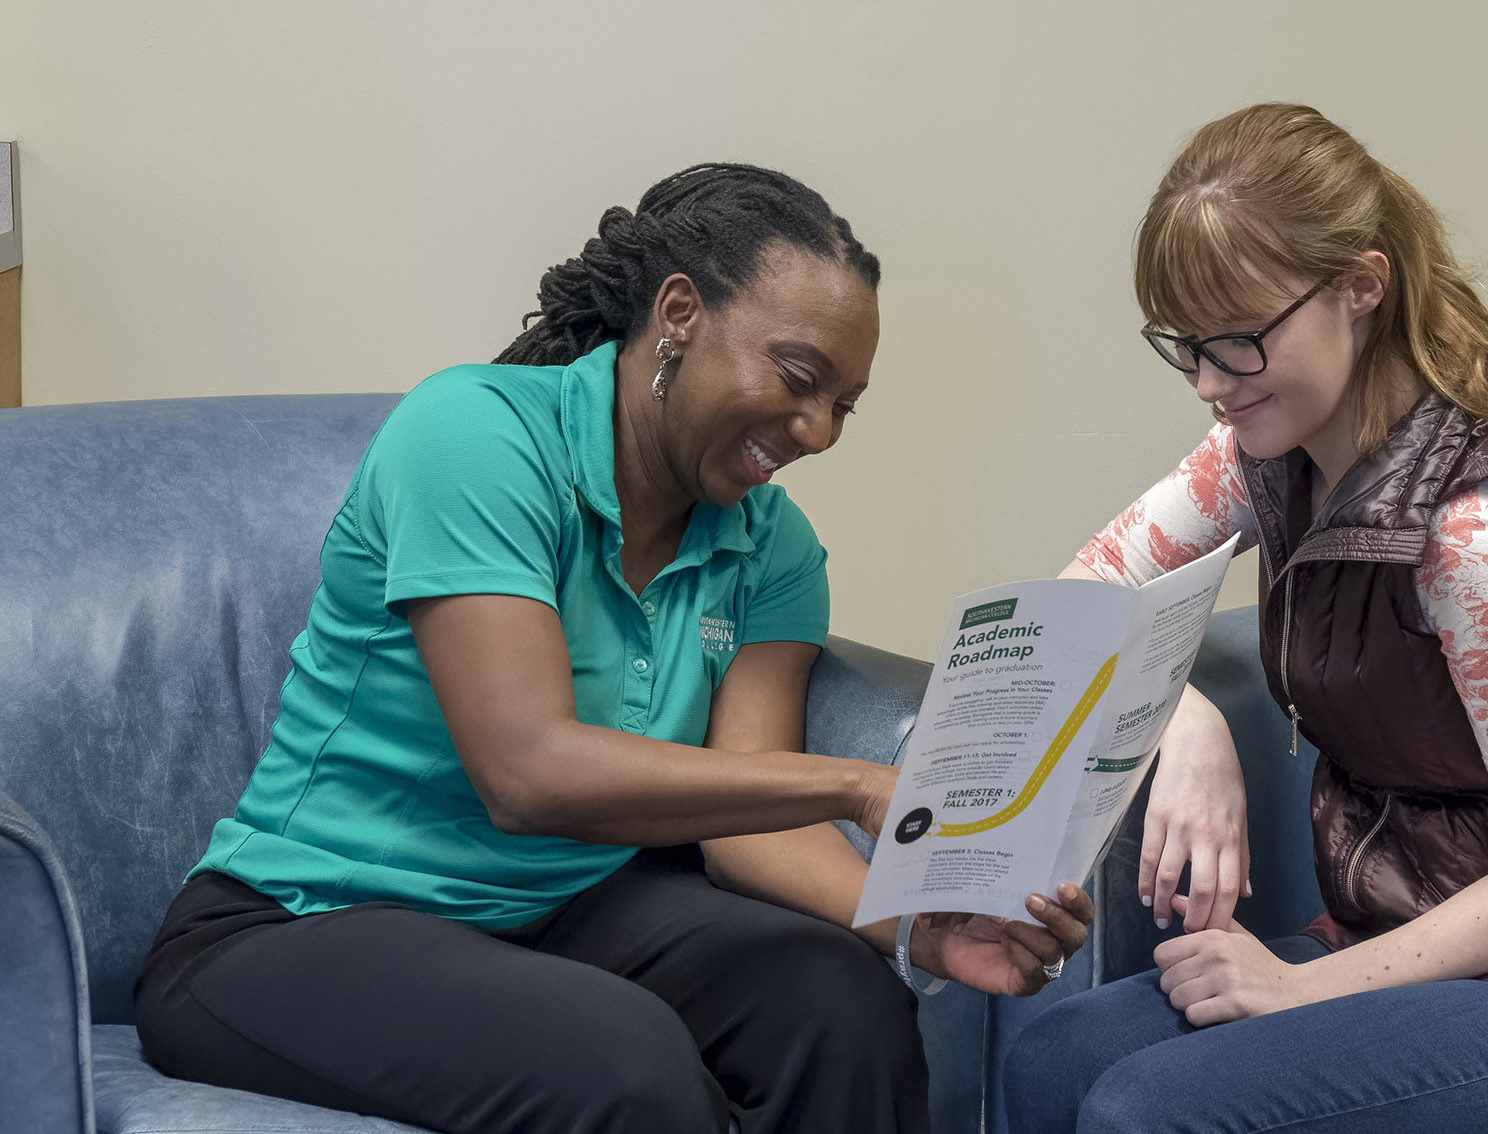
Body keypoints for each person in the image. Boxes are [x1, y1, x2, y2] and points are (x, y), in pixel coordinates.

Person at [135, 163, 1093, 1134]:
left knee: (839, 1002)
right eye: (801, 378)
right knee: (628, 1069)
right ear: (679, 312)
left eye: (844, 404)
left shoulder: (772, 545)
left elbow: (745, 812)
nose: (817, 429)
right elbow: (526, 770)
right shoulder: (478, 434)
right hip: (304, 922)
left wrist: (920, 926)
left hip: (562, 913)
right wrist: (856, 784)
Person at [1004, 106, 1488, 1134]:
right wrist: (1183, 718)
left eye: (1242, 340)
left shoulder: (1478, 537)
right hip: (1398, 939)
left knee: (1143, 1106)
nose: (1212, 384)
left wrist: (1294, 988)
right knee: (1053, 1053)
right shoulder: (1260, 456)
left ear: (1362, 286)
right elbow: (1075, 602)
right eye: (1187, 347)